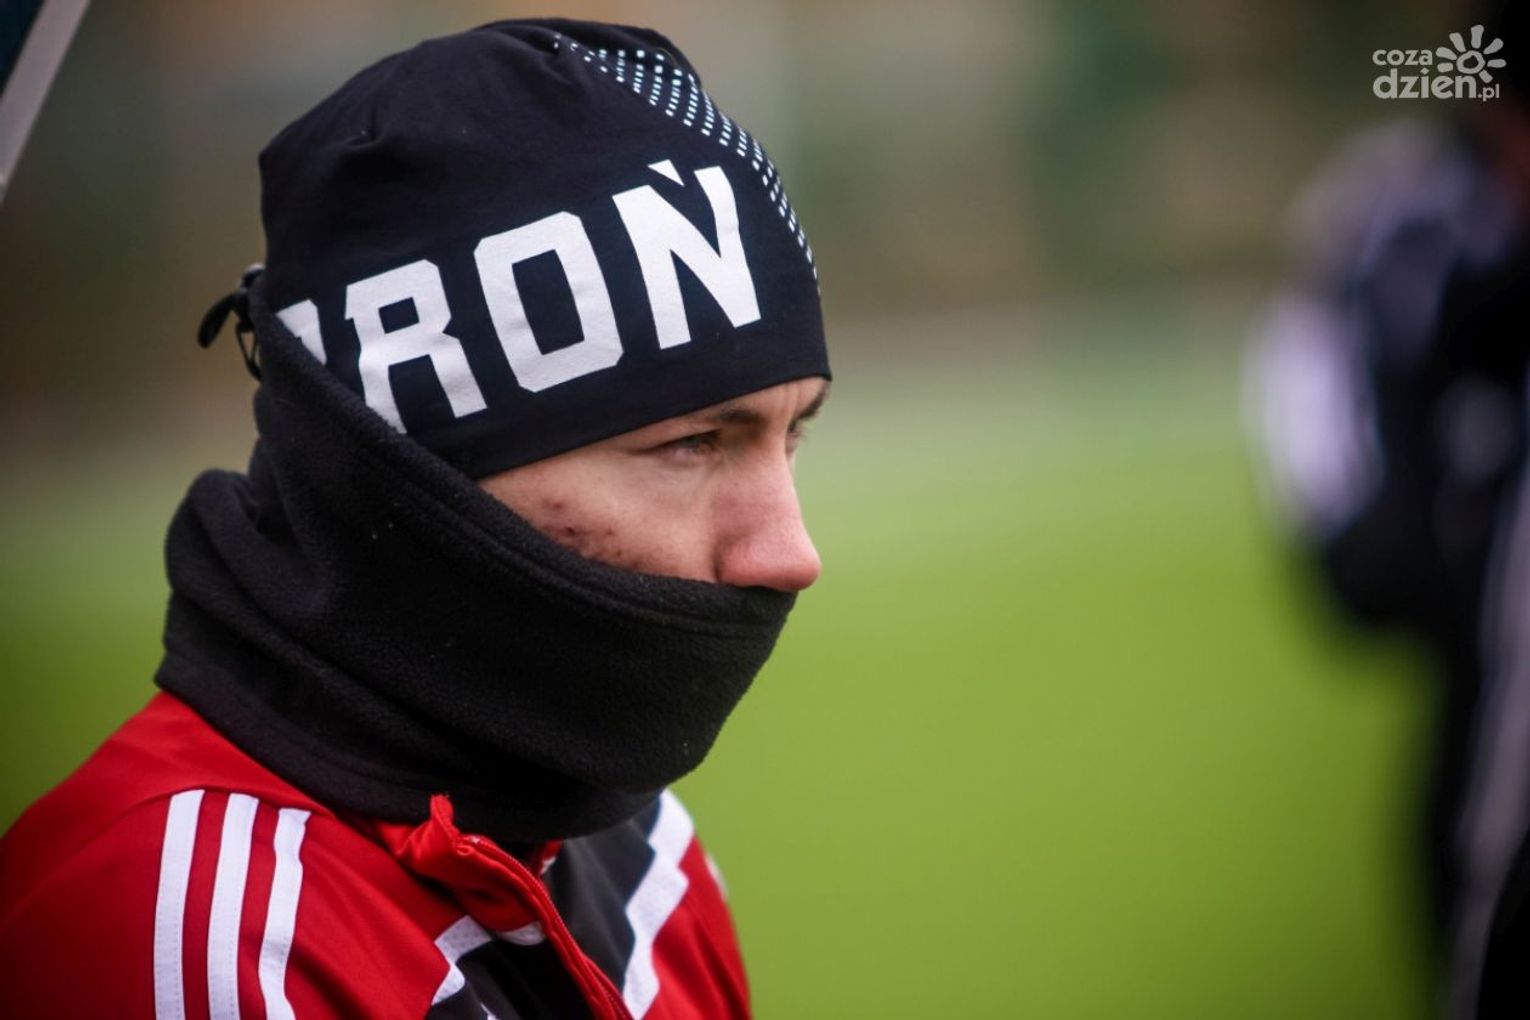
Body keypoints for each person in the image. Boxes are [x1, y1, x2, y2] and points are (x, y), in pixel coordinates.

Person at [0, 18, 830, 1019]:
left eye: (793, 435)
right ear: (410, 478)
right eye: (692, 443)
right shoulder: (189, 946)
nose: (792, 552)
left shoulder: (646, 859)